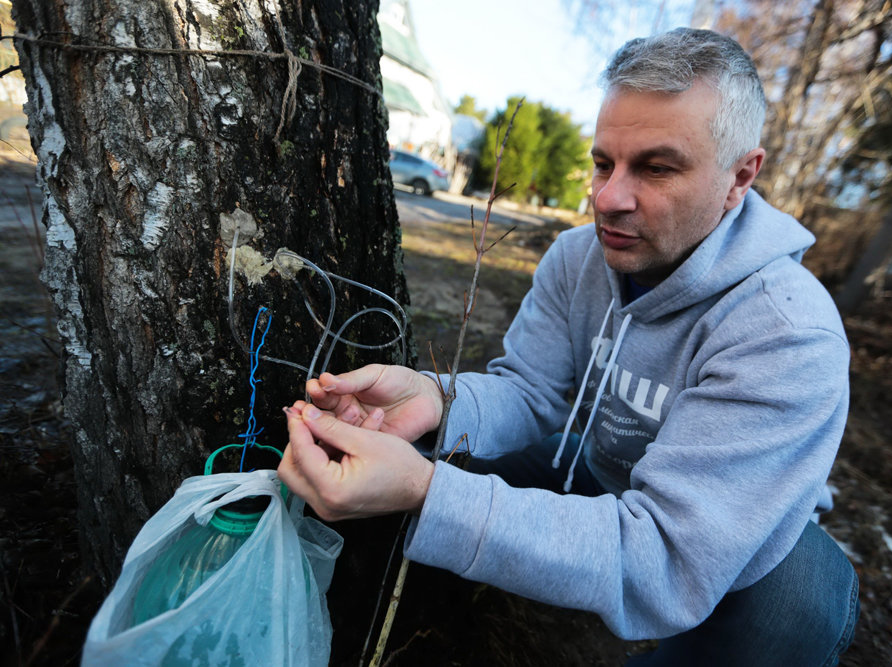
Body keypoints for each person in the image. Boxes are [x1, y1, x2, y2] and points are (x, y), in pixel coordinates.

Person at [279, 27, 859, 665]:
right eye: (603, 163)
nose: (607, 199)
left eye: (656, 167)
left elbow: (662, 557)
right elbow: (533, 392)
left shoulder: (786, 332)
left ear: (740, 176)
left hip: (723, 528)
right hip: (593, 467)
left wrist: (427, 493)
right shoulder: (577, 258)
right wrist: (437, 400)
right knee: (433, 450)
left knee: (800, 603)